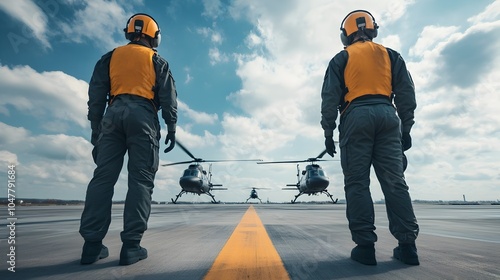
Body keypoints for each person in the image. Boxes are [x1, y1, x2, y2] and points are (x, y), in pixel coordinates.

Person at [320, 10, 419, 265]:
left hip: (356, 116)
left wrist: (329, 132)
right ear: (373, 29)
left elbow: (330, 99)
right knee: (395, 182)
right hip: (388, 116)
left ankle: (365, 248)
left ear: (346, 35)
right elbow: (406, 94)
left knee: (357, 183)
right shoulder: (391, 55)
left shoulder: (341, 58)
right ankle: (408, 247)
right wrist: (405, 129)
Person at [79, 13, 178, 266]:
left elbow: (97, 93)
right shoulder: (157, 61)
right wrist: (171, 127)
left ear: (129, 33)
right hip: (143, 116)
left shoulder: (109, 57)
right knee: (141, 181)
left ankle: (91, 246)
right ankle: (131, 247)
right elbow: (168, 97)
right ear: (154, 36)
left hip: (112, 115)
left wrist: (95, 127)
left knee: (102, 178)